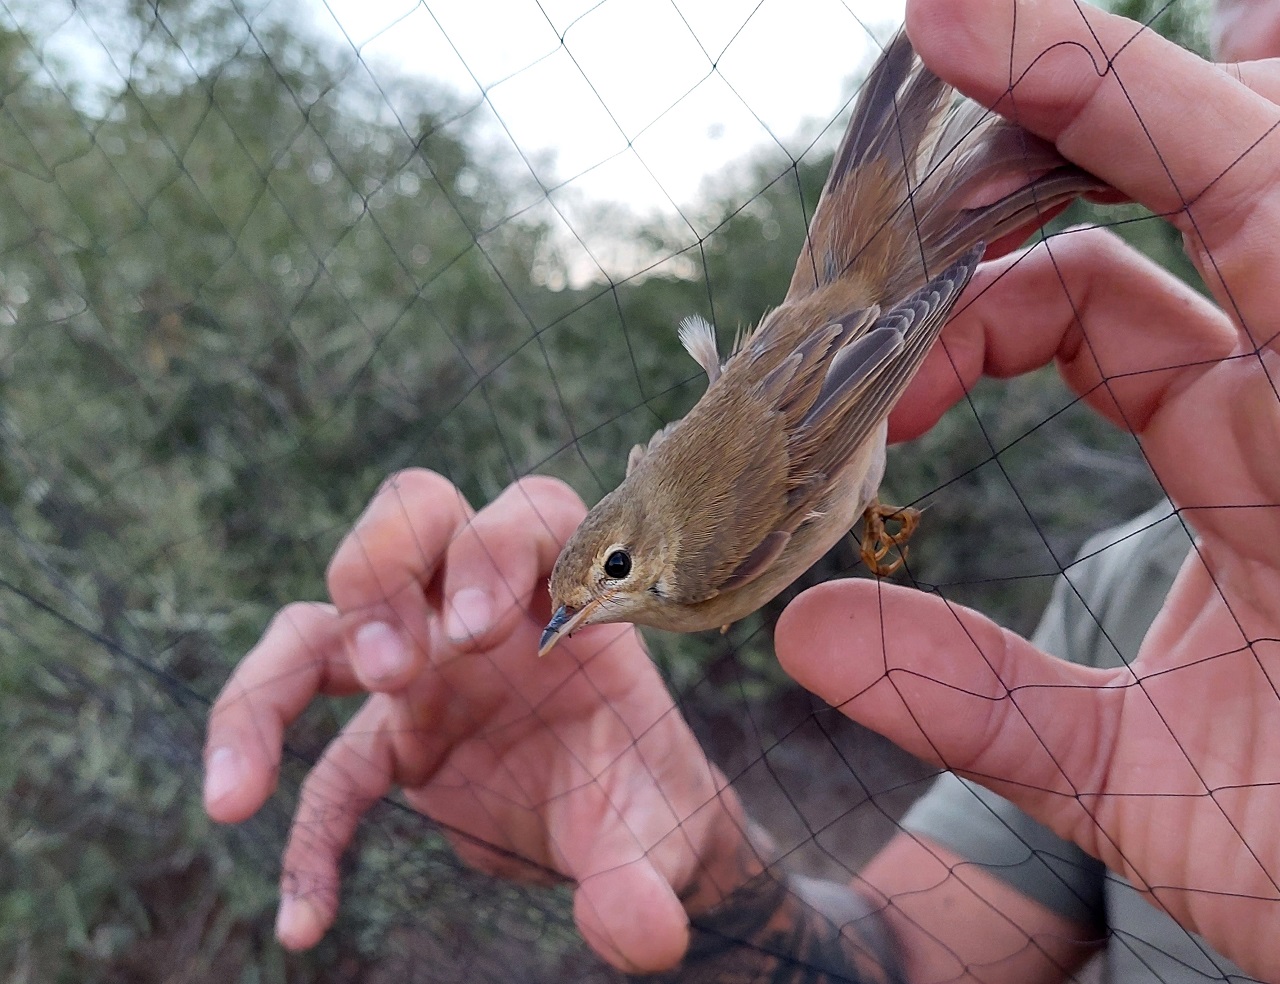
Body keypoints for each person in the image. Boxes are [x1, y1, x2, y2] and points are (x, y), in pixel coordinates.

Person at [203, 0, 1280, 980]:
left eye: (611, 576)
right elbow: (891, 960)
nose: (606, 606)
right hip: (834, 338)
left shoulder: (700, 557)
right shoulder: (1131, 599)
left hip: (840, 360)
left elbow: (817, 432)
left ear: (640, 542)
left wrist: (896, 351)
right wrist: (702, 856)